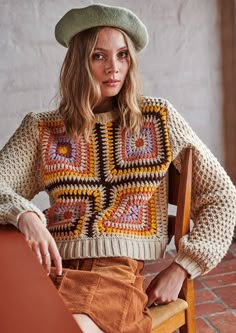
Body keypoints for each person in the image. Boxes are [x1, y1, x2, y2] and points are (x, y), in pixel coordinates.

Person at [0, 3, 235, 333]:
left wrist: (183, 267)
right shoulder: (43, 128)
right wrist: (24, 215)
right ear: (79, 63)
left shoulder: (157, 119)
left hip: (113, 273)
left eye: (122, 55)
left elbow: (223, 196)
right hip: (45, 262)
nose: (114, 67)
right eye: (99, 56)